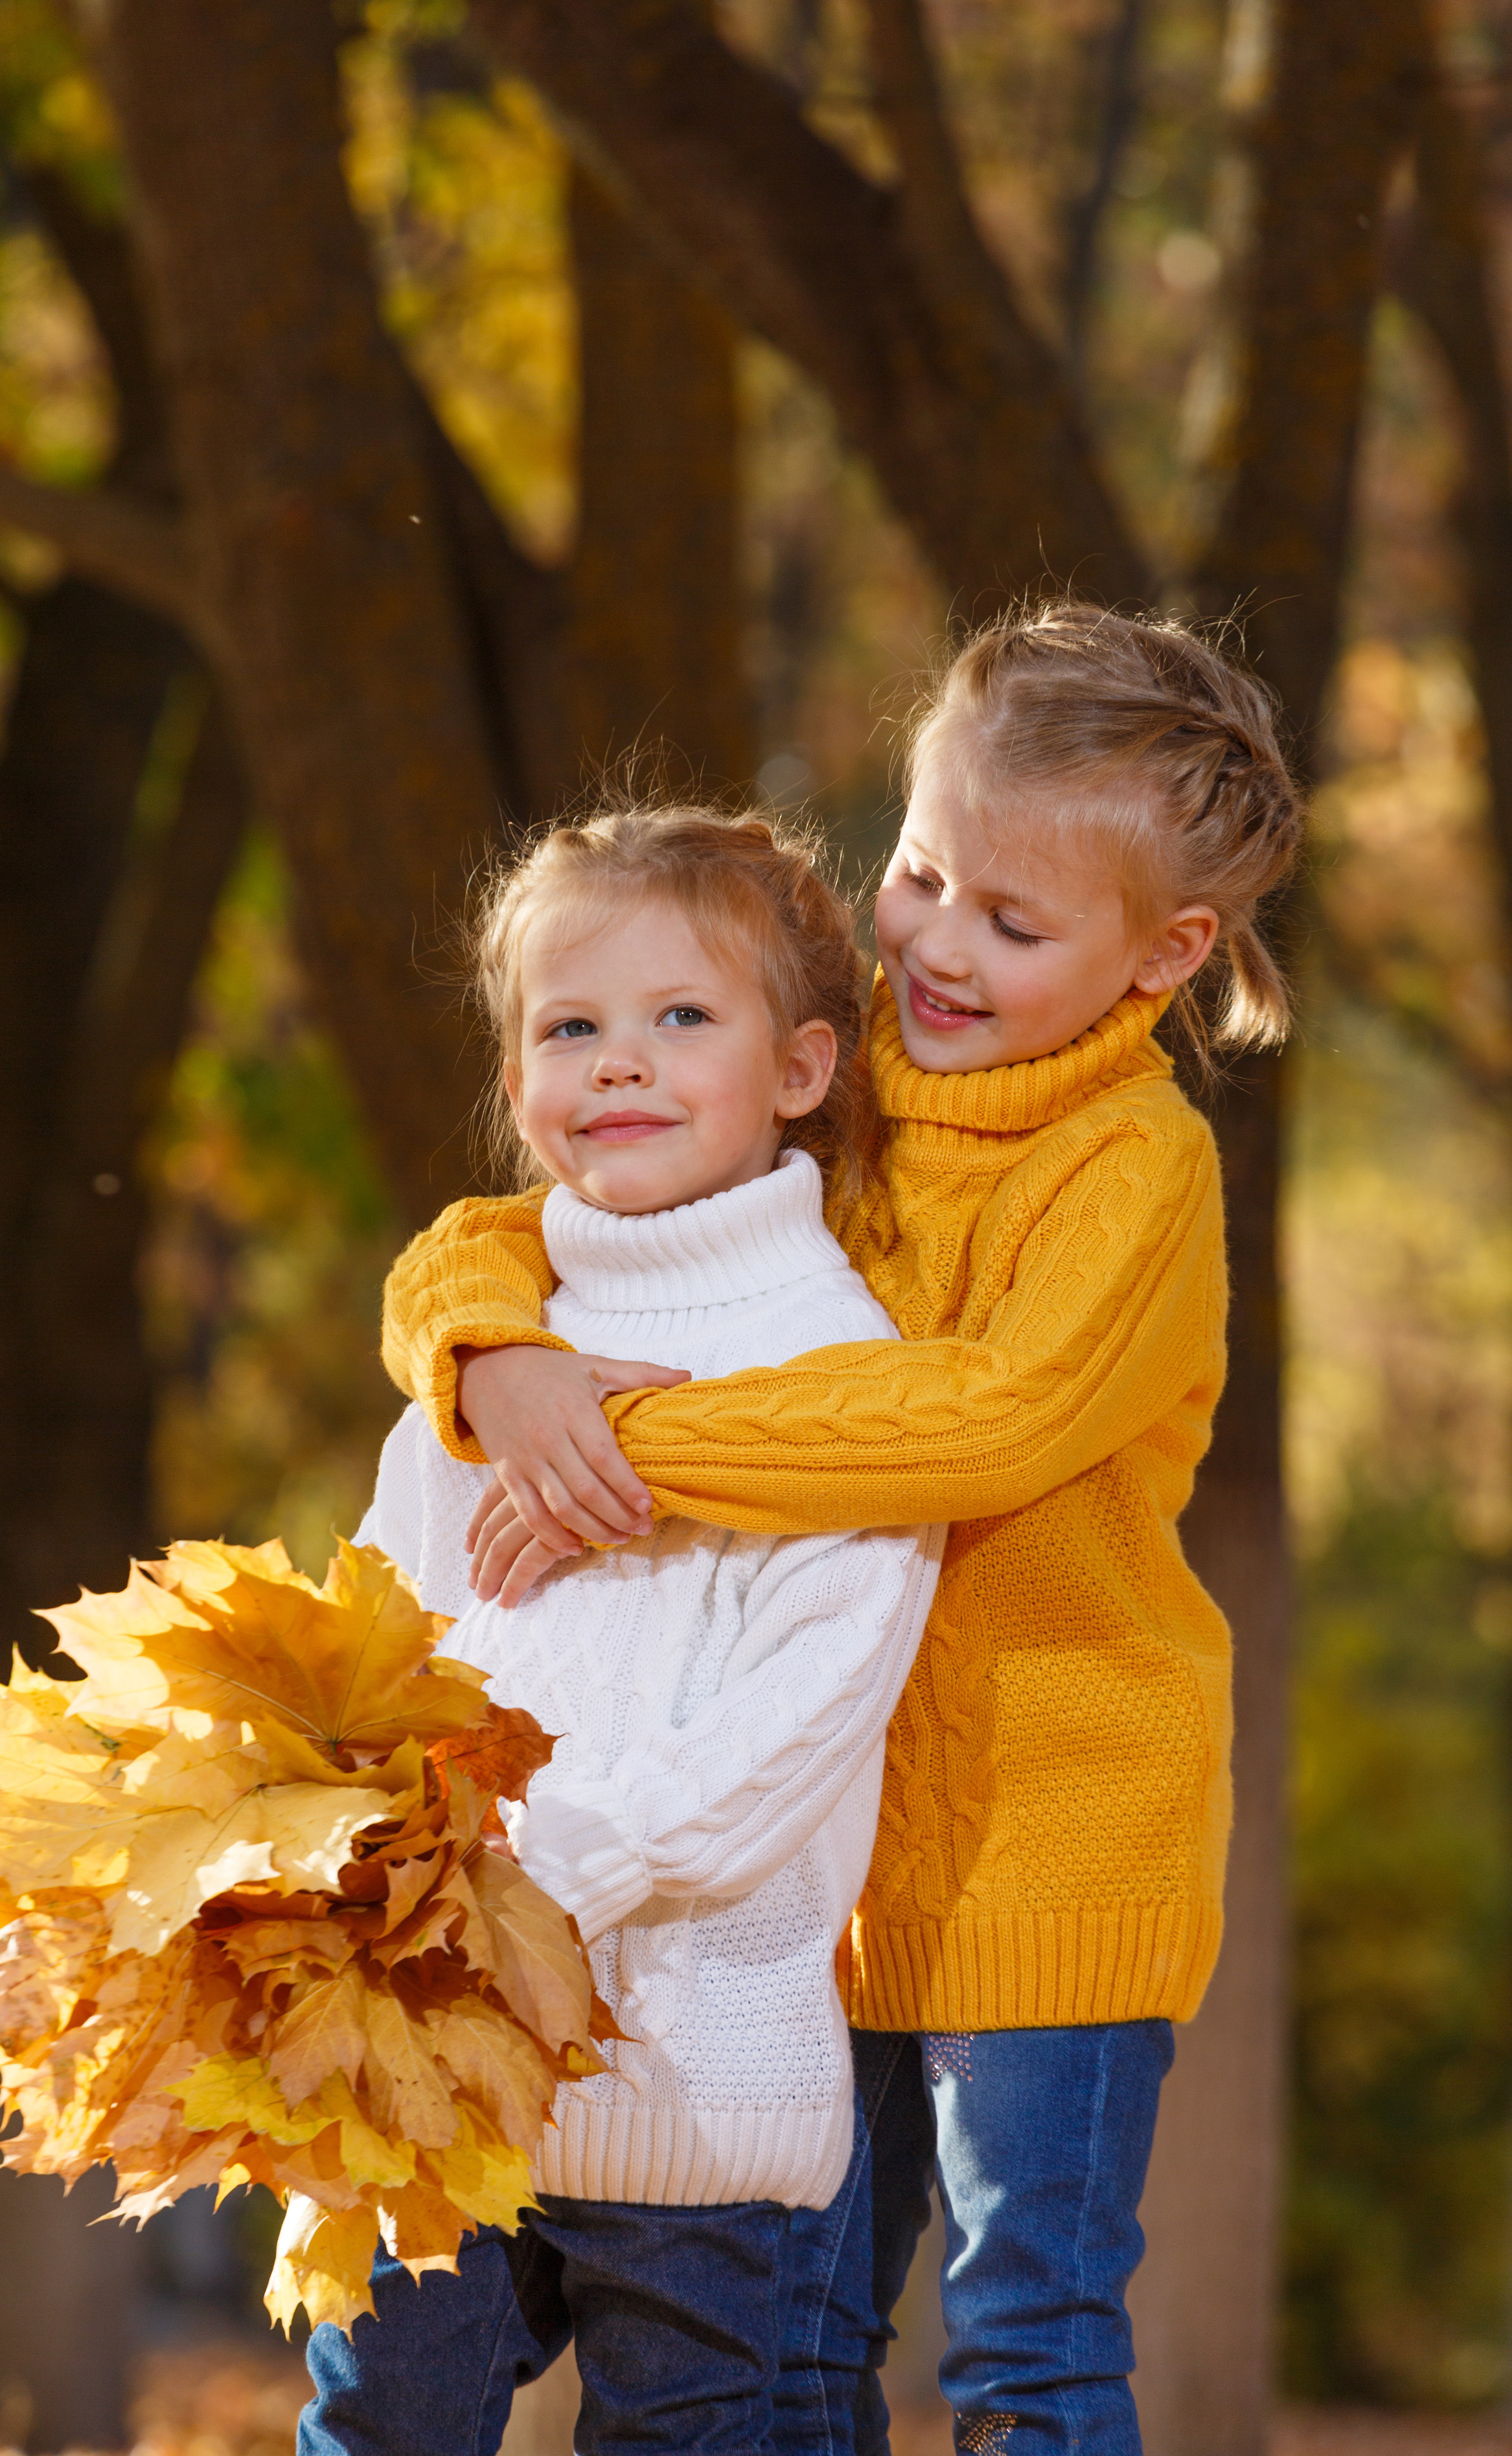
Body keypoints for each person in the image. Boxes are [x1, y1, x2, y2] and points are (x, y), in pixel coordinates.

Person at [379, 604, 1304, 2455]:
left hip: (1059, 1830)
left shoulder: (1137, 1170)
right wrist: (492, 1363)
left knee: (1028, 2344)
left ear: (1166, 953)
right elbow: (518, 1228)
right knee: (804, 2351)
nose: (939, 948)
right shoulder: (837, 1067)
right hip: (821, 1851)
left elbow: (988, 1420)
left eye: (1013, 925)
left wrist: (630, 1432)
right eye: (921, 873)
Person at [299, 808, 944, 2456]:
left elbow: (804, 1717)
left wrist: (549, 1872)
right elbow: (378, 1633)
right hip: (438, 2044)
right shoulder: (484, 1363)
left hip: (691, 2070)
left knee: (684, 2437)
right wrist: (349, 1846)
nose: (619, 1066)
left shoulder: (841, 1369)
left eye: (681, 1020)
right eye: (568, 1027)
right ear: (514, 1074)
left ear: (801, 1067)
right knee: (384, 2420)